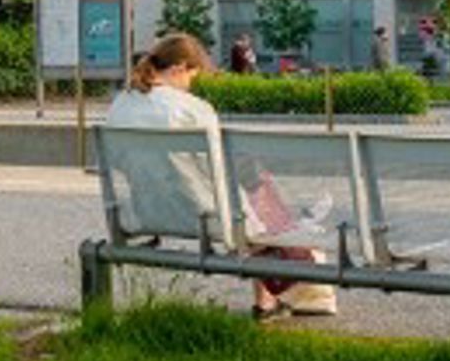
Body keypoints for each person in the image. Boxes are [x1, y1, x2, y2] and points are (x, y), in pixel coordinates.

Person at [108, 34, 335, 320]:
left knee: (254, 192)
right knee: (257, 196)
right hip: (204, 216)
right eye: (192, 75)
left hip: (146, 210)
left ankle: (273, 293)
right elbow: (218, 170)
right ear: (179, 68)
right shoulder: (191, 108)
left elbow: (119, 161)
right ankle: (277, 289)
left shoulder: (121, 104)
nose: (191, 84)